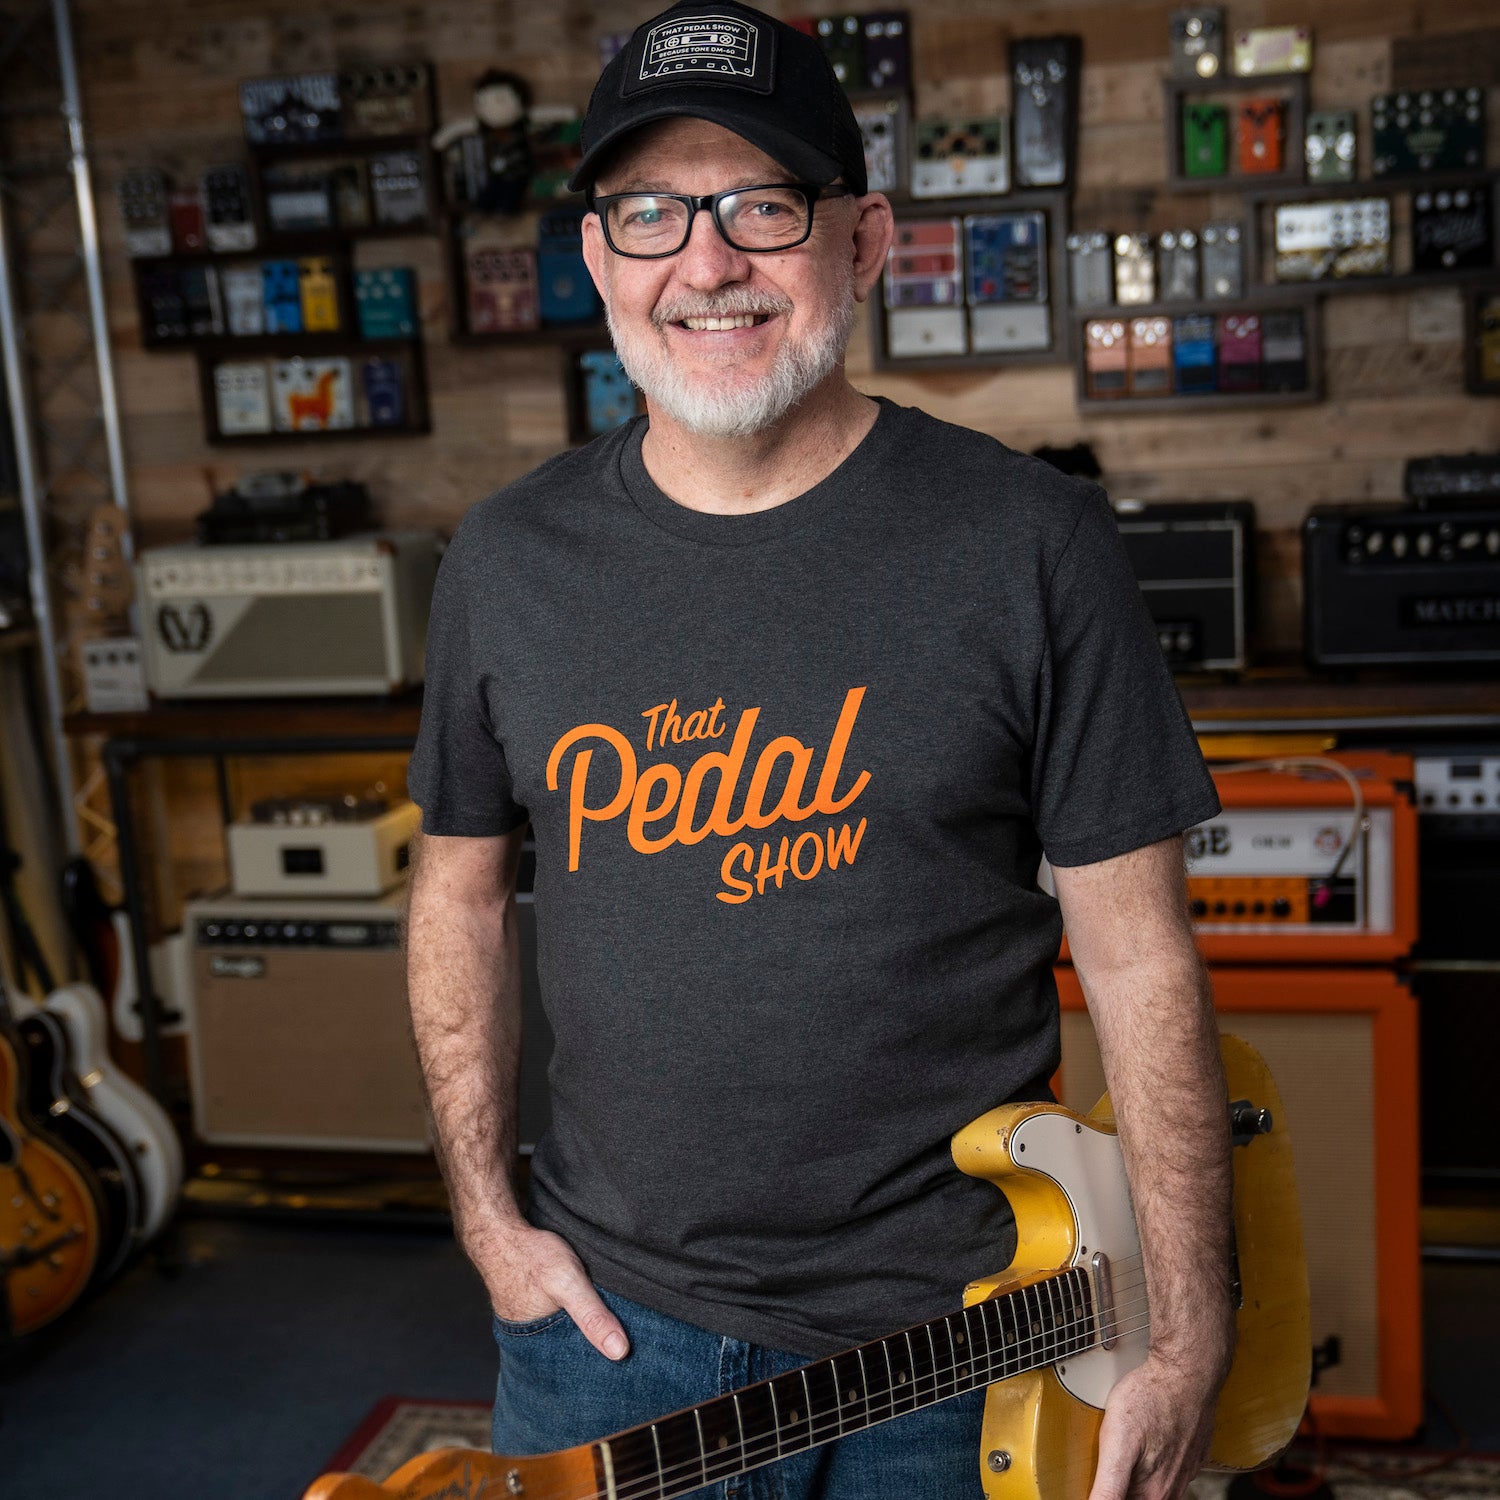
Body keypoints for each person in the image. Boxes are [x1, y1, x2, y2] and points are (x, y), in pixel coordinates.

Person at [405, 4, 1233, 1497]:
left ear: (862, 241)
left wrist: (1186, 1326)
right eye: (651, 213)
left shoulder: (1030, 545)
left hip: (970, 1339)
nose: (705, 263)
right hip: (607, 1343)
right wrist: (486, 1222)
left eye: (762, 207)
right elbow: (457, 894)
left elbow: (1139, 956)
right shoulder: (505, 563)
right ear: (597, 257)